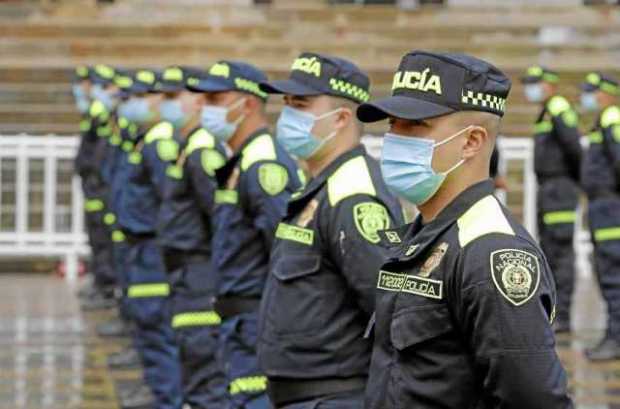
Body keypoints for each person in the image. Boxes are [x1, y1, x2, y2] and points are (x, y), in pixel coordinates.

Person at [357, 50, 574, 408]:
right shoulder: (425, 233)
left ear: (472, 142)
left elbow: (535, 400)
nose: (394, 137)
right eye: (392, 124)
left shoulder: (490, 252)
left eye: (414, 126)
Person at [256, 52, 403, 408]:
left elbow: (390, 308)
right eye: (287, 103)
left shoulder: (353, 196)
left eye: (301, 105)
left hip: (334, 396)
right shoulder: (319, 186)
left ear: (340, 118)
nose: (287, 114)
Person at [200, 60, 302, 408]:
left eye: (216, 99)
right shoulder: (243, 160)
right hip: (240, 322)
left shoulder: (264, 166)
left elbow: (285, 251)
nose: (205, 108)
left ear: (246, 104)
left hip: (257, 321)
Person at [157, 67, 228, 407]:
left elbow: (219, 219)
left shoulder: (202, 150)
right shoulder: (188, 144)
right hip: (187, 273)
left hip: (200, 274)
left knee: (204, 369)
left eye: (175, 97)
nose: (166, 104)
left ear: (199, 101)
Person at [116, 66, 186, 409]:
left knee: (157, 325)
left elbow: (167, 201)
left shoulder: (160, 143)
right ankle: (159, 392)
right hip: (140, 247)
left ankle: (168, 399)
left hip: (152, 248)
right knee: (146, 320)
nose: (137, 103)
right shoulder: (147, 138)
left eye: (146, 96)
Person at [521, 66, 582, 333]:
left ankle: (564, 315)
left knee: (560, 251)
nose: (530, 88)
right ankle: (554, 311)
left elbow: (574, 147)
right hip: (550, 189)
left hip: (559, 188)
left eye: (535, 83)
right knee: (549, 249)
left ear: (550, 85)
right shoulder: (547, 109)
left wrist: (572, 181)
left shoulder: (557, 106)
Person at [579, 72, 620, 361]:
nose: (588, 96)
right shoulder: (603, 120)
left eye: (592, 91)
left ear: (606, 93)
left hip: (610, 209)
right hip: (602, 207)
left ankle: (616, 338)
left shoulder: (612, 118)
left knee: (613, 275)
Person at [75, 64, 120, 311]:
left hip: (102, 185)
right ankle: (101, 281)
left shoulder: (105, 113)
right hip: (95, 184)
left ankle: (107, 285)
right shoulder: (96, 111)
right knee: (97, 235)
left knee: (104, 237)